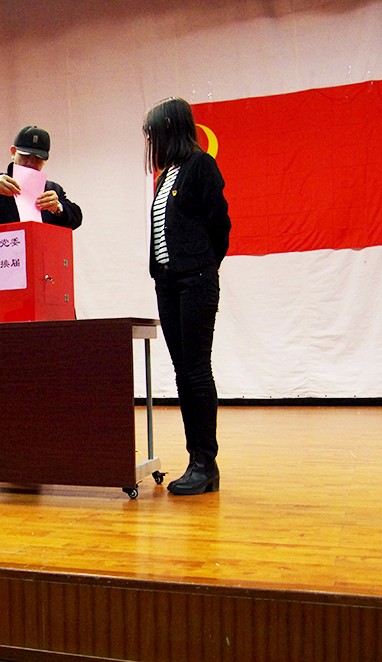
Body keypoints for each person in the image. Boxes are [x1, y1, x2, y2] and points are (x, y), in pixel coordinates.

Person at [142, 97, 231, 496]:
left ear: (171, 129)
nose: (151, 142)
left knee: (195, 370)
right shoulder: (166, 176)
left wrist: (202, 266)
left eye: (154, 134)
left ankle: (205, 463)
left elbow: (220, 226)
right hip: (168, 283)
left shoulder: (200, 166)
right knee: (183, 371)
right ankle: (196, 460)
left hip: (195, 280)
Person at [0, 125, 83, 321]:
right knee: (4, 331)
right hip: (6, 275)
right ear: (13, 152)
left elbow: (76, 217)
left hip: (44, 275)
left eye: (38, 159)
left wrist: (58, 207)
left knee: (52, 331)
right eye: (25, 156)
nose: (30, 163)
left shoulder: (51, 189)